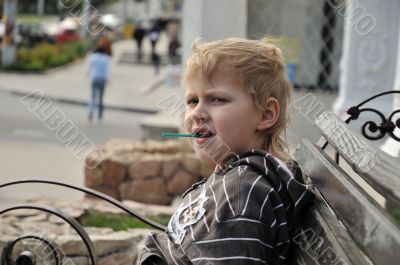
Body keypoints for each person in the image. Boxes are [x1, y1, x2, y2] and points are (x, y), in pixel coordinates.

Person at [136, 37, 314, 265]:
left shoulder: (241, 194)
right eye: (192, 101)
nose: (197, 113)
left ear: (265, 114)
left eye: (217, 99)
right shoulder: (235, 177)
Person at [86, 40, 111, 122]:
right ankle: (100, 114)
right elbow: (107, 70)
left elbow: (89, 66)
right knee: (101, 98)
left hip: (95, 78)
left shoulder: (93, 57)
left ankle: (90, 111)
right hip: (102, 79)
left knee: (93, 97)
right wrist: (108, 79)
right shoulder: (106, 58)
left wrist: (88, 73)